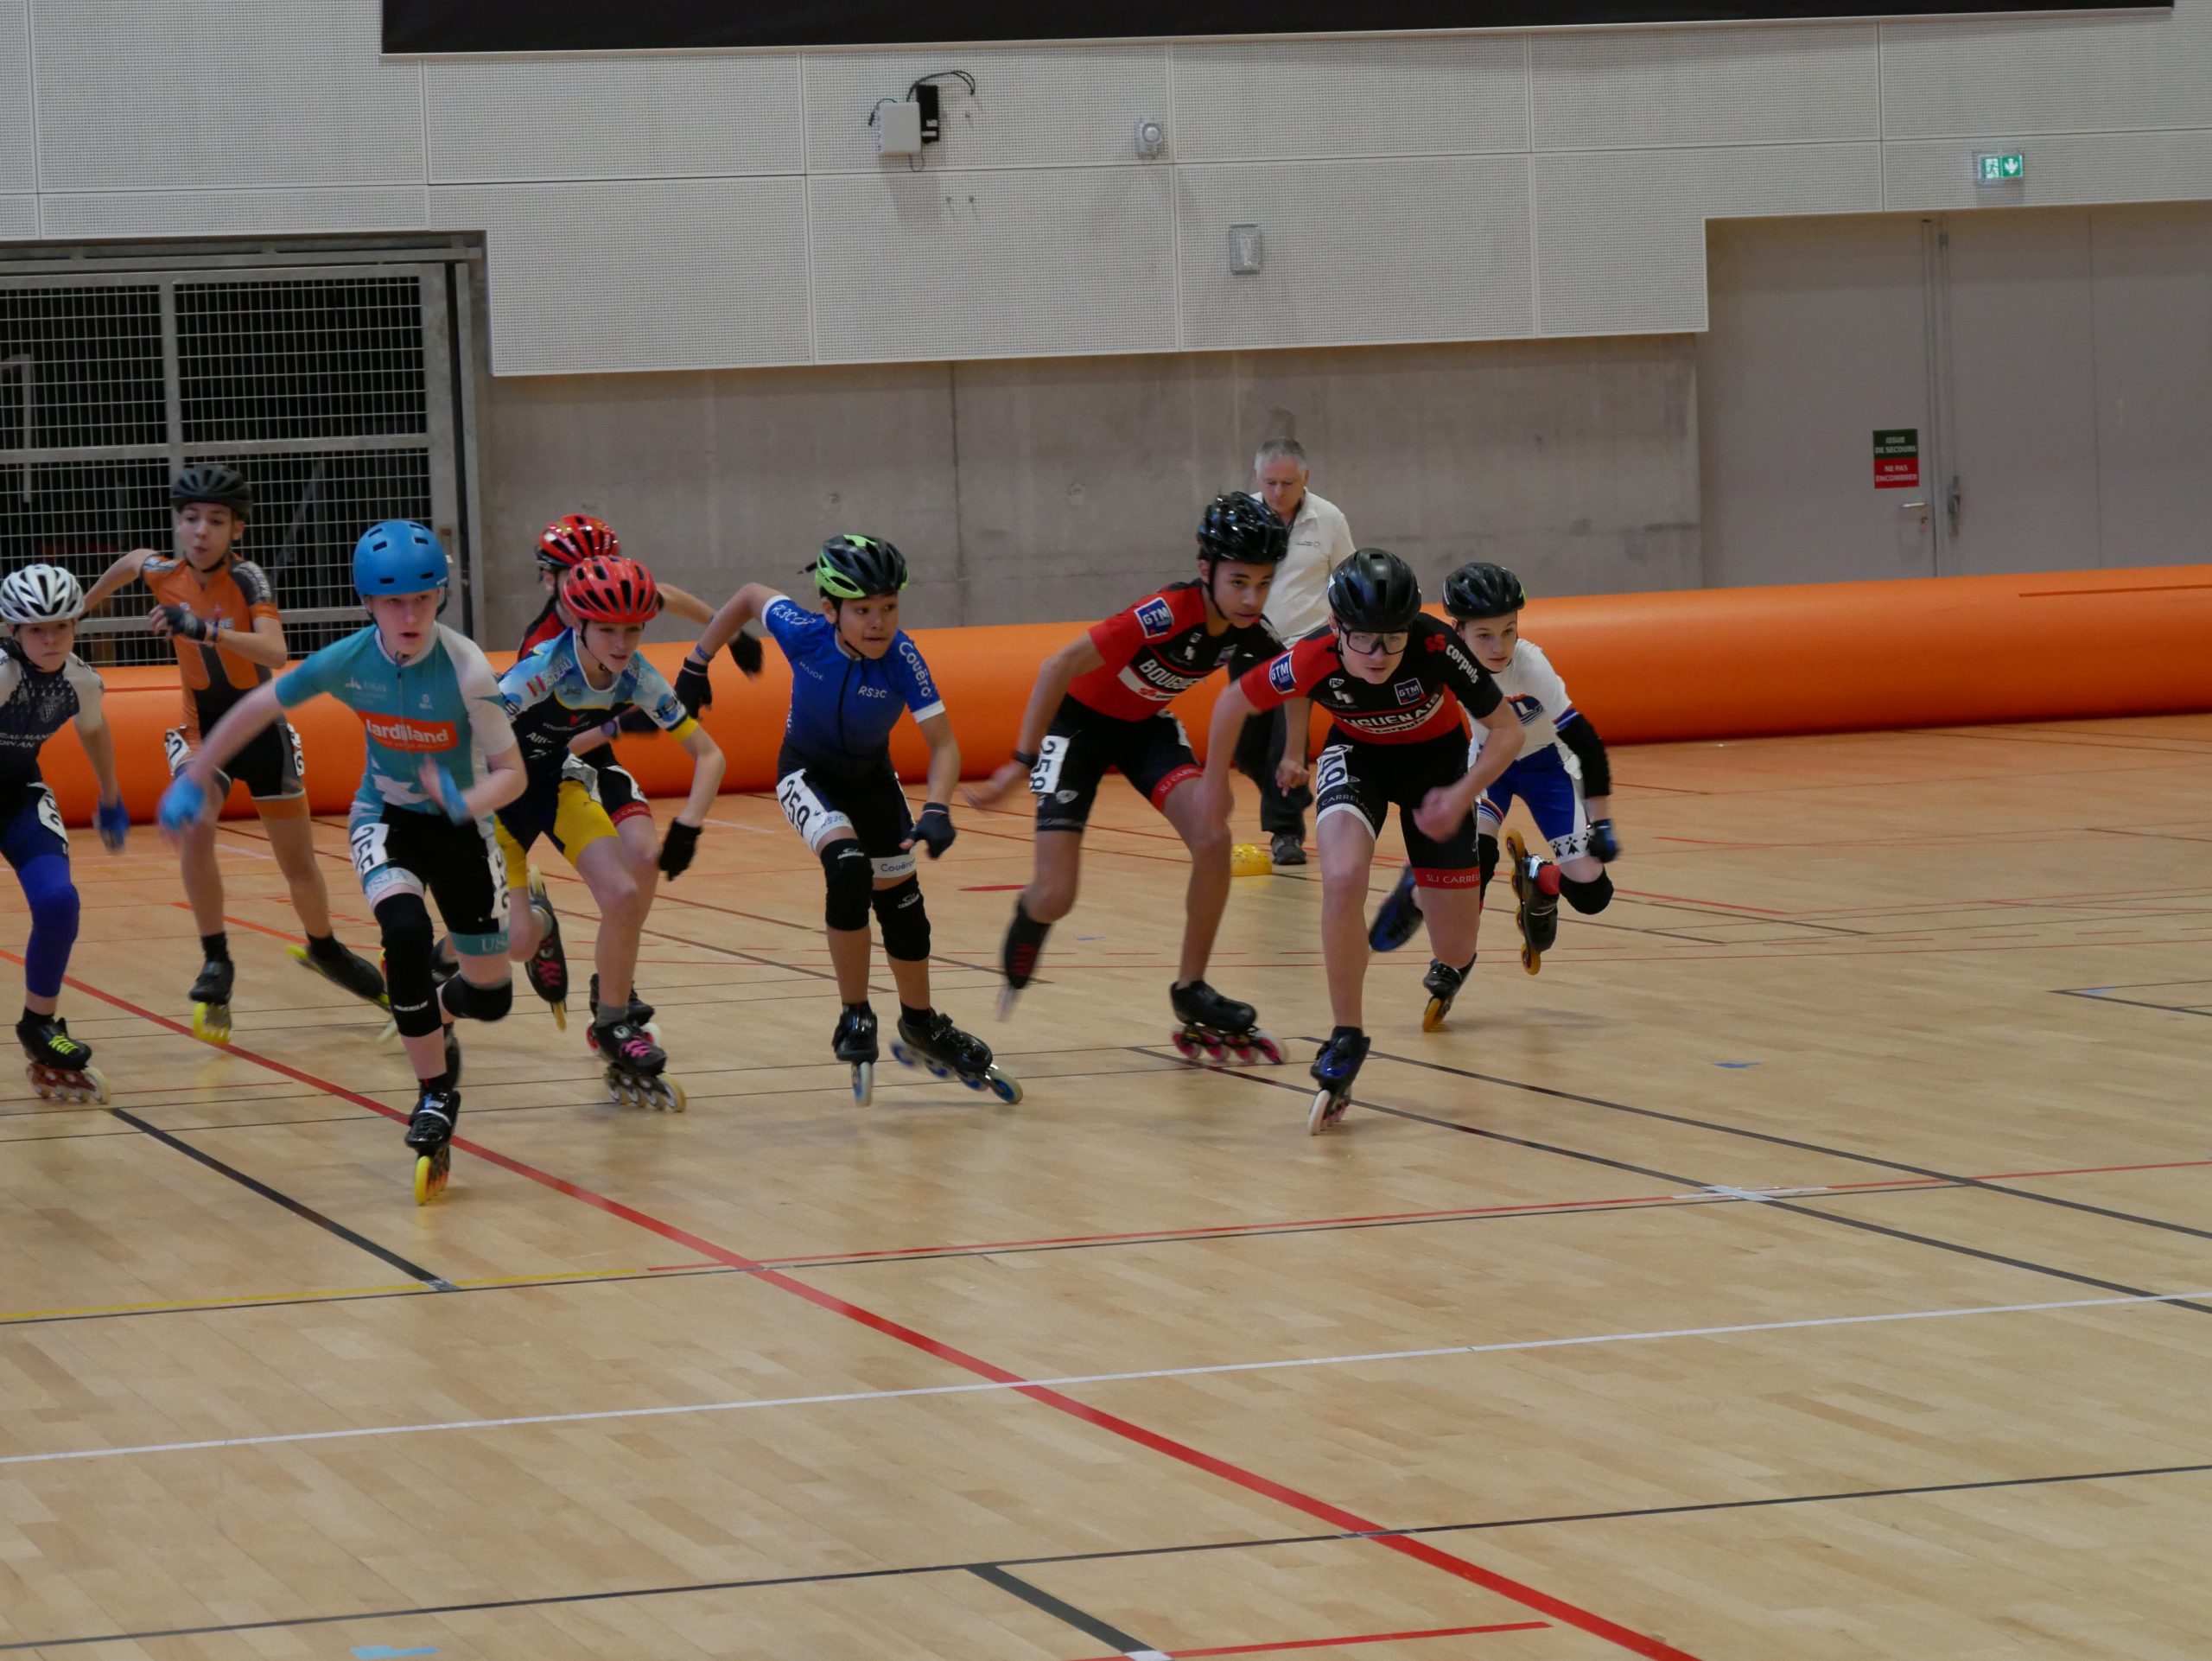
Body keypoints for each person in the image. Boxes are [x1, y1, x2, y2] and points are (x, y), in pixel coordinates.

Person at [161, 521, 524, 1204]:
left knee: (490, 996)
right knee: (406, 934)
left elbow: (513, 774)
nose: (409, 615)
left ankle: (434, 1015)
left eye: (423, 599)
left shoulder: (468, 668)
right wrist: (198, 773)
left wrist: (464, 799)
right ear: (368, 603)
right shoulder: (349, 659)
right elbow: (257, 704)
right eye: (394, 602)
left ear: (441, 596)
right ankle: (434, 1093)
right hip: (385, 818)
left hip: (460, 825)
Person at [1197, 550, 1523, 1132]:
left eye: (1392, 640)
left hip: (1438, 770)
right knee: (1342, 879)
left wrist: (1461, 795)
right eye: (1364, 641)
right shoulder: (1312, 653)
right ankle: (1346, 1034)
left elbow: (1508, 731)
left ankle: (1419, 891)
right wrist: (1215, 782)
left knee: (1455, 952)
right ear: (1336, 627)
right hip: (1357, 758)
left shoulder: (1434, 645)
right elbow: (1231, 701)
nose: (1379, 655)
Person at [685, 534, 1015, 1103]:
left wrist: (937, 808)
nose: (878, 622)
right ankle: (855, 1013)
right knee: (848, 867)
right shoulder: (803, 633)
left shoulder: (903, 658)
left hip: (872, 780)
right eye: (862, 610)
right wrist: (698, 662)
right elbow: (749, 596)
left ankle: (920, 1022)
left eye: (889, 607)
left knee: (903, 902)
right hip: (806, 771)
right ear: (830, 609)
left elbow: (944, 745)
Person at [963, 493, 1287, 1065]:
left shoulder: (1252, 629)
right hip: (1077, 729)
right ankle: (1030, 913)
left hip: (1144, 729)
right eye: (1239, 582)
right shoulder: (1166, 612)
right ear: (1205, 568)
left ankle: (1191, 988)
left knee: (1213, 839)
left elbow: (1297, 679)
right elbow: (1057, 665)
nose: (1251, 598)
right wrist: (1020, 760)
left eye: (1263, 584)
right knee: (1057, 896)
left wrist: (1283, 757)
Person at [79, 465, 384, 1040]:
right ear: (178, 523)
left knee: (299, 864)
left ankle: (325, 947)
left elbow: (275, 652)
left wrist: (203, 629)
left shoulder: (247, 579)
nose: (201, 531)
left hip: (263, 734)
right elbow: (130, 562)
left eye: (216, 521)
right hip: (203, 737)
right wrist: (77, 612)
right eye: (191, 518)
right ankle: (216, 958)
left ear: (237, 530)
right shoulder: (163, 572)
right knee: (197, 829)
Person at [493, 555, 726, 1110]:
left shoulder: (640, 676)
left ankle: (613, 1023)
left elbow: (710, 755)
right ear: (578, 623)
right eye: (607, 630)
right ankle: (531, 924)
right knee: (517, 943)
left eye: (633, 630)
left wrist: (689, 825)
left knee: (623, 894)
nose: (622, 644)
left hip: (556, 783)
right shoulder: (539, 672)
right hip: (498, 799)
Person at [519, 513, 757, 1020]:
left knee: (646, 857)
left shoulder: (617, 609)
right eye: (579, 574)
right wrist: (617, 727)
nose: (597, 582)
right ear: (550, 581)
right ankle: (526, 930)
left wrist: (731, 634)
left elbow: (664, 595)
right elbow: (545, 736)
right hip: (555, 753)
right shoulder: (542, 652)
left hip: (594, 754)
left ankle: (615, 980)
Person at [1368, 562, 1619, 975]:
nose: (1499, 647)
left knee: (1593, 894)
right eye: (1484, 635)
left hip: (1547, 767)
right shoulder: (1446, 658)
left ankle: (1540, 878)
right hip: (1491, 765)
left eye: (1508, 630)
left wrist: (1602, 820)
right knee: (1476, 861)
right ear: (1458, 631)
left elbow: (1585, 740)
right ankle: (1450, 951)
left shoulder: (1530, 664)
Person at [0, 565, 131, 1103]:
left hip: (16, 793)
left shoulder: (82, 681)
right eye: (37, 629)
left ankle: (39, 1023)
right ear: (12, 631)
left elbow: (94, 729)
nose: (51, 639)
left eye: (61, 626)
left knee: (58, 901)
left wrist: (110, 795)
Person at [1235, 438, 1355, 867]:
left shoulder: (1329, 519)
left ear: (1306, 478)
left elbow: (1347, 577)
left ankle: (1285, 833)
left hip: (1306, 645)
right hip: (1250, 644)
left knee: (1286, 740)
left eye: (1288, 482)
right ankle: (1293, 790)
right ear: (1257, 478)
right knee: (1247, 749)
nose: (1278, 491)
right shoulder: (1242, 517)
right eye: (1270, 482)